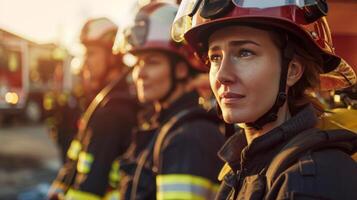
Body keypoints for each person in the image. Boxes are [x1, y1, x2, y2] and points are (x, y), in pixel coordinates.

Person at [172, 0, 357, 199]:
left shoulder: (315, 181)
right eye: (215, 57)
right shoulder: (242, 167)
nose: (222, 75)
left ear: (292, 71)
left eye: (245, 53)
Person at [113, 2, 226, 199]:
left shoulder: (189, 137)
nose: (140, 74)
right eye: (138, 62)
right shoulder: (163, 124)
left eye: (152, 62)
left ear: (181, 69)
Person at [48, 17, 139, 200]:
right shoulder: (104, 103)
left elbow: (90, 189)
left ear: (113, 56)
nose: (85, 62)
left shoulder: (113, 112)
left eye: (91, 53)